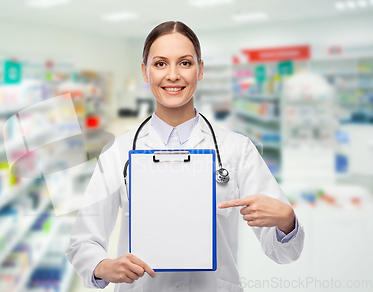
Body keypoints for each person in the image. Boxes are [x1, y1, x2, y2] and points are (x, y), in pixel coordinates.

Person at [65, 21, 304, 292]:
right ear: (145, 71)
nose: (173, 75)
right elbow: (82, 242)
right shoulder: (118, 152)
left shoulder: (237, 150)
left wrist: (287, 221)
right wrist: (101, 266)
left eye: (185, 63)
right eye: (160, 64)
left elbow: (284, 253)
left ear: (200, 70)